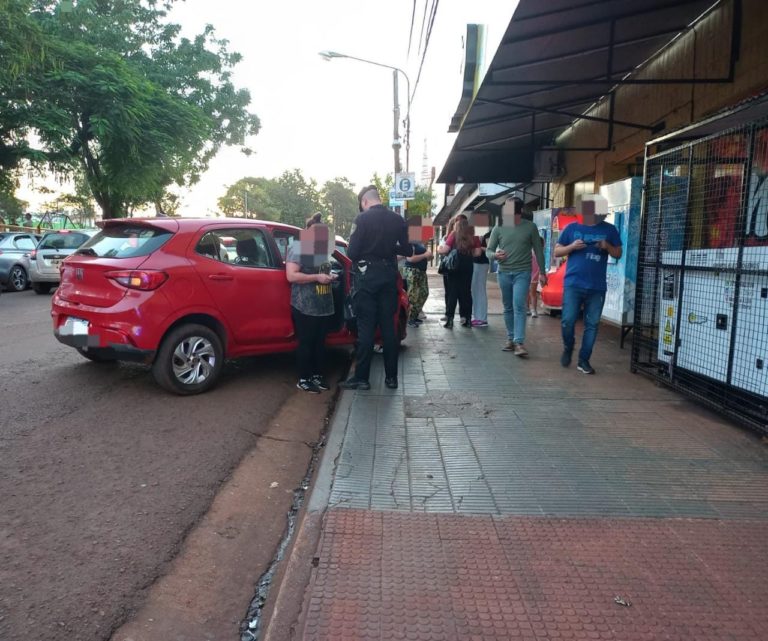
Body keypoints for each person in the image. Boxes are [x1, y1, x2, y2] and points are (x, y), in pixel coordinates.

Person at [340, 186, 413, 391]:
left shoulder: (361, 220)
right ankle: (391, 378)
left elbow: (352, 253)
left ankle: (362, 378)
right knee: (389, 328)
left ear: (364, 202)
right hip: (389, 277)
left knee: (366, 329)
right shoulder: (398, 220)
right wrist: (389, 248)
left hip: (367, 279)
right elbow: (407, 250)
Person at [555, 202, 622, 374]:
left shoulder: (610, 229)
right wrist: (572, 247)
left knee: (592, 324)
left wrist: (607, 246)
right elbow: (557, 251)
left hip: (597, 286)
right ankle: (568, 346)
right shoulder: (571, 228)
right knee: (567, 320)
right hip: (573, 283)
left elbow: (618, 253)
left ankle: (584, 360)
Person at [486, 197, 547, 356]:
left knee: (519, 305)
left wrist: (542, 272)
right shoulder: (498, 228)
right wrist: (495, 255)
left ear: (518, 211)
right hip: (504, 272)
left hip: (523, 272)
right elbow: (488, 251)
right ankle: (510, 338)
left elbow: (538, 250)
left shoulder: (530, 227)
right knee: (508, 307)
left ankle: (519, 342)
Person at [285, 214, 338, 393]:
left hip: (323, 305)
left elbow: (325, 269)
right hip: (304, 305)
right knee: (306, 342)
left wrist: (331, 276)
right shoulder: (299, 247)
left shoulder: (322, 249)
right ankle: (304, 378)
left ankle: (317, 375)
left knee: (320, 343)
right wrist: (316, 277)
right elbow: (291, 275)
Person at [438, 216, 481, 328]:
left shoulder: (454, 234)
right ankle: (467, 319)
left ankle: (450, 319)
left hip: (454, 266)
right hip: (468, 266)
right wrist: (469, 251)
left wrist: (439, 248)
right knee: (466, 292)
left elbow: (445, 250)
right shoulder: (474, 236)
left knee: (453, 292)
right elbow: (478, 253)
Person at [403, 241, 432, 328]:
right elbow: (410, 259)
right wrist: (424, 255)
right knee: (413, 296)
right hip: (412, 271)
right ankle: (409, 318)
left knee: (424, 293)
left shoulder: (419, 243)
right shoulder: (409, 243)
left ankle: (414, 316)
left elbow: (430, 256)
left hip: (421, 271)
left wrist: (428, 255)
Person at [471, 228, 491, 327]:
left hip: (481, 263)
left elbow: (491, 249)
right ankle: (477, 317)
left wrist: (479, 246)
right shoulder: (475, 234)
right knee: (475, 290)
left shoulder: (488, 235)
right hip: (475, 263)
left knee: (479, 290)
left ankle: (481, 318)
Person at [527, 233, 546, 318]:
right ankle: (531, 310)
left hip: (533, 275)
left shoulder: (535, 253)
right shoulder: (536, 253)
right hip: (529, 275)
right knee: (531, 293)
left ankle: (532, 310)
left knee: (531, 293)